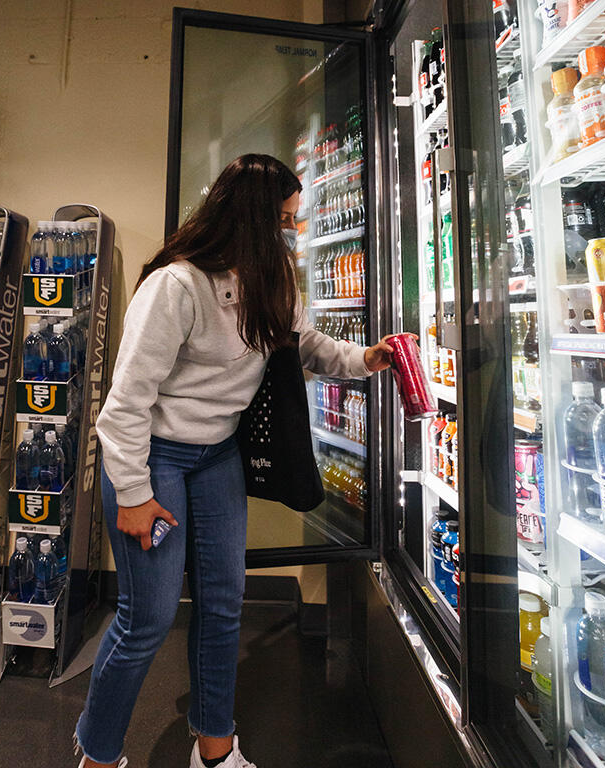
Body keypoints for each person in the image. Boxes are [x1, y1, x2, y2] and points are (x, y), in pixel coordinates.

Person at [75, 154, 395, 768]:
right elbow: (123, 408)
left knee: (223, 604)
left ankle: (215, 750)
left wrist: (366, 359)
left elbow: (303, 344)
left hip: (217, 455)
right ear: (248, 218)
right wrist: (137, 495)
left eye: (294, 220)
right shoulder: (176, 286)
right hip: (153, 458)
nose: (293, 232)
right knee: (149, 617)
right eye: (283, 220)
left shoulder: (274, 277)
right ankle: (97, 754)